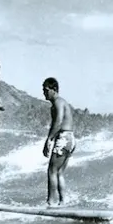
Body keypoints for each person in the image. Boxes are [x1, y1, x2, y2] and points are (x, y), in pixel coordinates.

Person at [42, 77, 75, 206]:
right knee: (59, 172)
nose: (44, 93)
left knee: (52, 171)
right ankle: (62, 202)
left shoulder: (58, 102)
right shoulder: (58, 103)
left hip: (64, 138)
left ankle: (50, 202)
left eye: (46, 90)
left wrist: (49, 139)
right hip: (70, 139)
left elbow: (58, 122)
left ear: (54, 89)